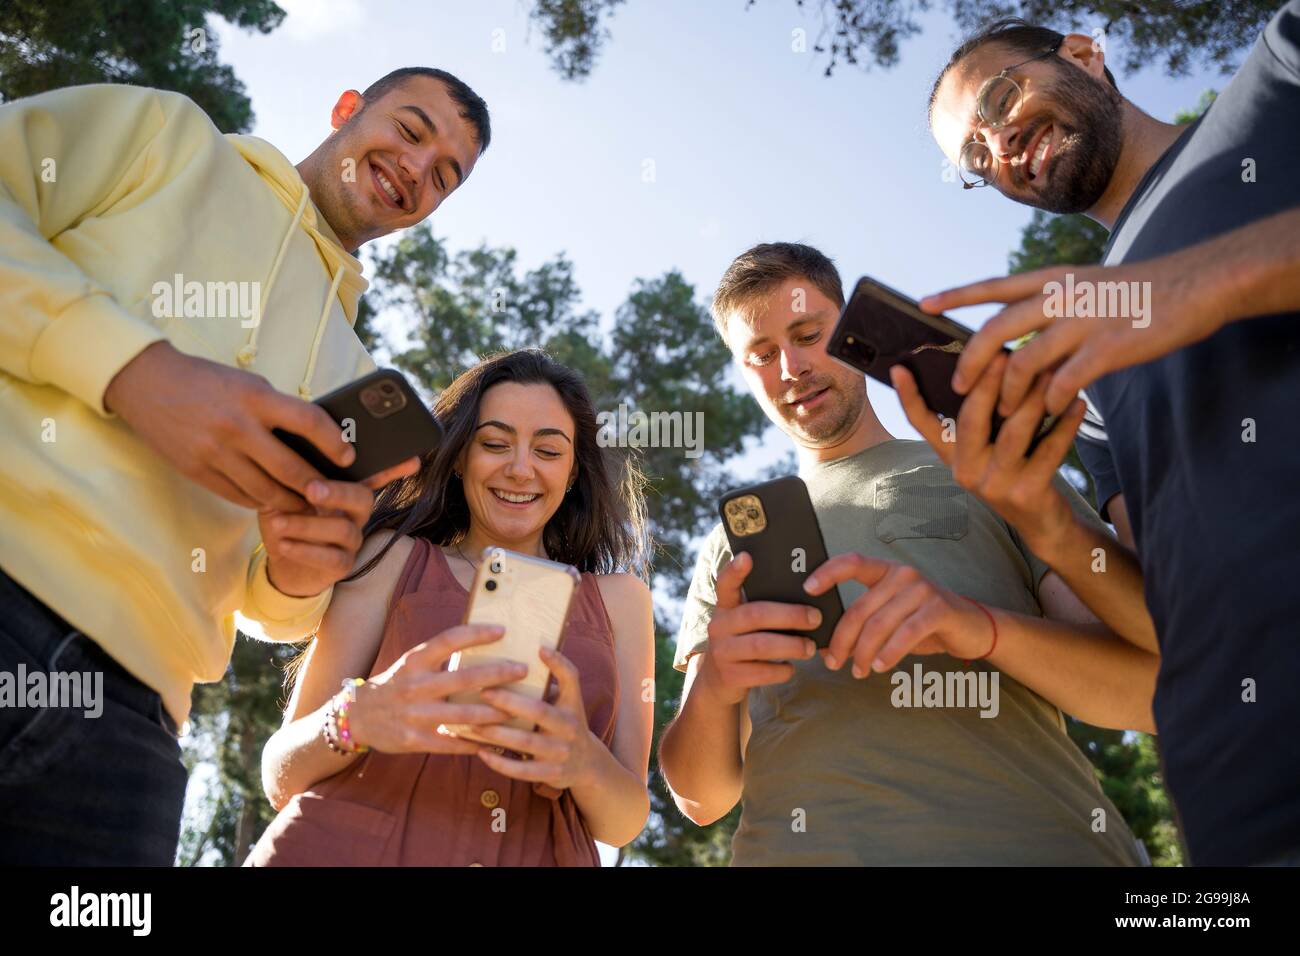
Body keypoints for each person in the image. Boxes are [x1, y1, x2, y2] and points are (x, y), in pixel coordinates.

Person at [0, 66, 490, 865]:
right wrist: (135, 370)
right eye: (411, 130)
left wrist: (303, 572)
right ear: (345, 108)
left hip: (137, 725)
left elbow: (271, 602)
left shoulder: (356, 374)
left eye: (445, 176)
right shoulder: (165, 135)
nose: (417, 169)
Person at [925, 5, 1300, 864]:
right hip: (1243, 806)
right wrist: (1044, 522)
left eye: (1000, 100)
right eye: (974, 160)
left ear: (1086, 54)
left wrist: (1208, 281)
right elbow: (1161, 632)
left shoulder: (1280, 83)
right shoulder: (1080, 369)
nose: (999, 149)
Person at [659, 242, 1159, 865]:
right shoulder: (736, 538)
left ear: (848, 331)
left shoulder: (983, 465)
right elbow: (701, 798)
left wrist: (976, 628)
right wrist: (713, 685)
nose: (790, 367)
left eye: (807, 334)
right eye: (761, 355)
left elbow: (1148, 691)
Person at [247, 349, 655, 866]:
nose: (520, 468)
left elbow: (625, 819)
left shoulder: (620, 601)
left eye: (548, 452)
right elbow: (280, 772)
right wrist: (359, 716)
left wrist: (582, 760)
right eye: (494, 443)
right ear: (461, 456)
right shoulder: (391, 557)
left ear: (574, 470)